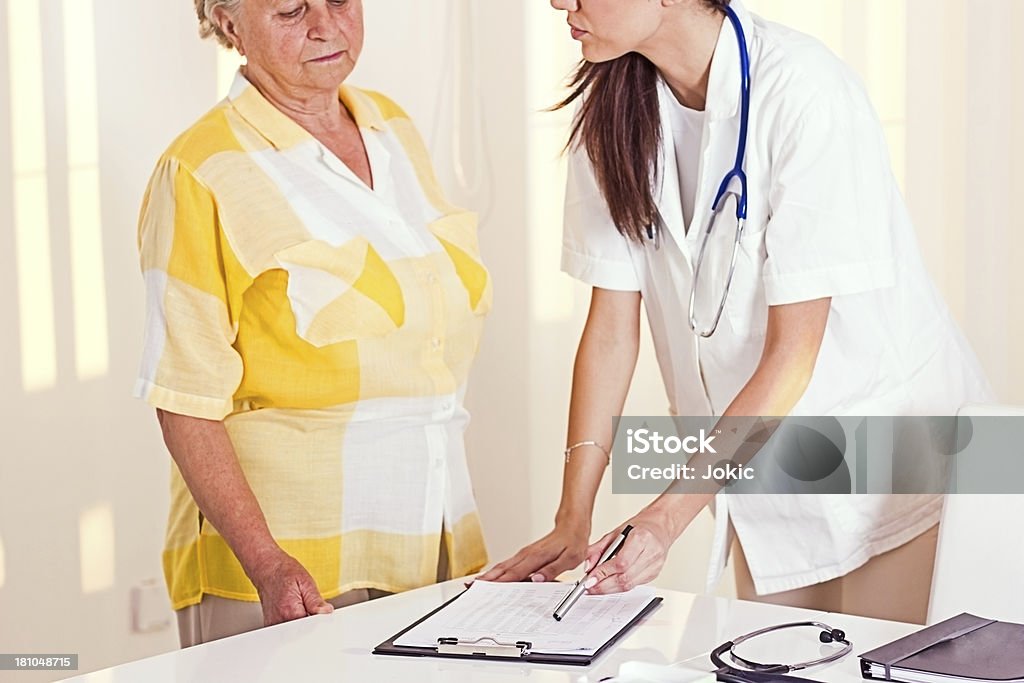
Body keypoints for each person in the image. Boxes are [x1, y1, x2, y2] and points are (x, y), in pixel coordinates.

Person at [481, 0, 994, 624]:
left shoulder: (805, 90)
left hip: (898, 467)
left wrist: (666, 517)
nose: (559, 2)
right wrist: (573, 515)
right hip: (764, 474)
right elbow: (613, 330)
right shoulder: (614, 112)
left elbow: (792, 355)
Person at [136, 0, 492, 646]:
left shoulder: (395, 131)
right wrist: (267, 561)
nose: (325, 24)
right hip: (288, 577)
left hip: (430, 547)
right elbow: (184, 402)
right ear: (227, 20)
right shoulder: (196, 171)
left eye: (340, 0)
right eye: (292, 10)